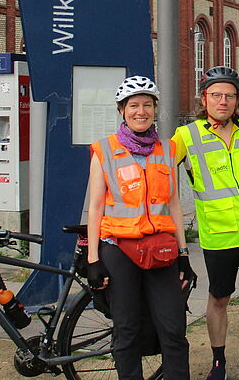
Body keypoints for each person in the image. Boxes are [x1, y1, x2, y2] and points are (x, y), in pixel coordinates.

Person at [173, 66, 239, 380]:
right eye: (216, 95)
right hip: (220, 232)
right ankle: (218, 362)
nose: (223, 101)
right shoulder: (186, 135)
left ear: (238, 100)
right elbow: (158, 169)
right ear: (204, 98)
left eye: (230, 95)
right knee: (219, 298)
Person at [86, 75, 196, 380]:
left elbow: (173, 203)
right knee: (126, 329)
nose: (141, 111)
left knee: (173, 328)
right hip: (119, 250)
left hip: (161, 248)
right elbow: (95, 207)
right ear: (122, 110)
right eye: (133, 105)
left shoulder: (168, 149)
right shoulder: (104, 150)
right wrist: (93, 259)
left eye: (147, 105)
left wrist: (184, 253)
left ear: (155, 109)